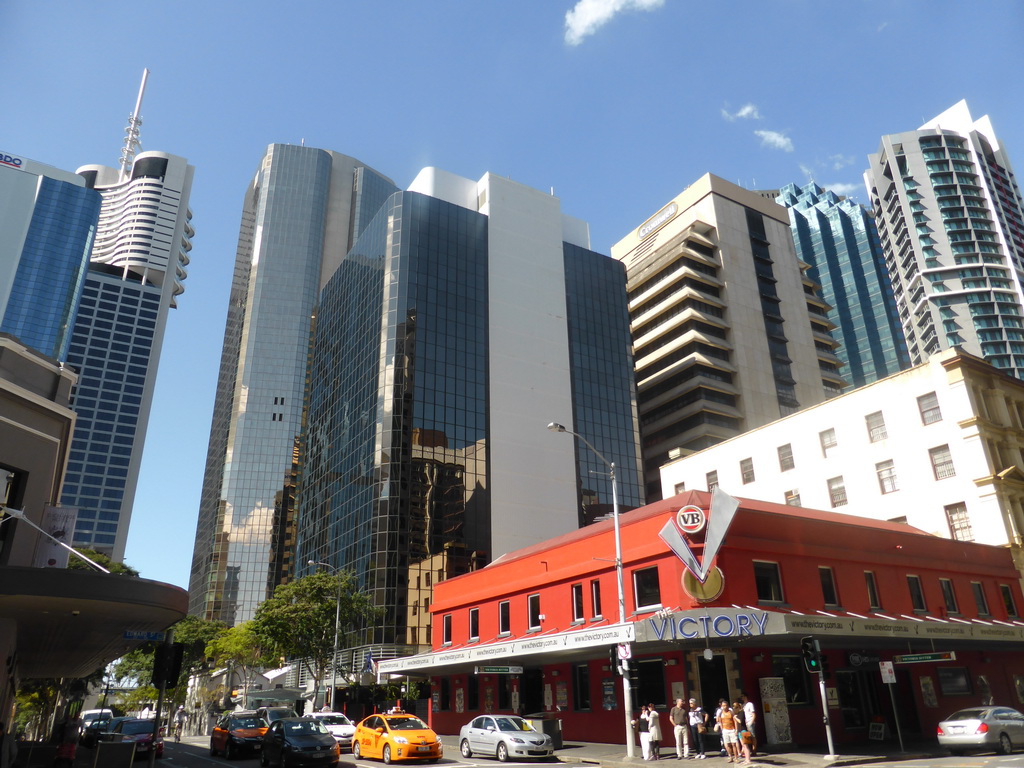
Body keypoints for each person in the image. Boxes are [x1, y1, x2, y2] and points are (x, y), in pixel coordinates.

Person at [733, 699, 752, 766]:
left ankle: (748, 759)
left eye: (736, 708)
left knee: (745, 746)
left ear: (739, 707)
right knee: (743, 745)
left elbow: (740, 721)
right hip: (739, 731)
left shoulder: (742, 713)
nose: (735, 709)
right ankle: (746, 759)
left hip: (743, 730)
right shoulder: (738, 713)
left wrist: (735, 718)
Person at [741, 693, 758, 757]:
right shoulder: (743, 705)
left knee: (753, 736)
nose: (741, 698)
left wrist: (752, 722)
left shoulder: (750, 704)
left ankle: (754, 750)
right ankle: (747, 750)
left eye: (742, 696)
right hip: (745, 723)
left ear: (745, 697)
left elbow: (753, 714)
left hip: (750, 721)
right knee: (747, 737)